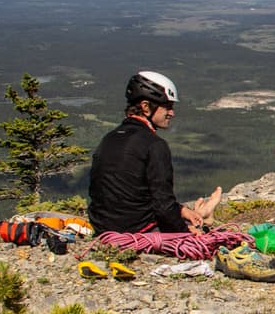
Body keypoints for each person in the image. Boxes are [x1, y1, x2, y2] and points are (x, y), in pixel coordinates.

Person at [88, 71, 221, 234]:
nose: (172, 113)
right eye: (167, 106)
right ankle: (205, 215)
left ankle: (200, 214)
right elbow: (163, 205)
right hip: (138, 230)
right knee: (204, 233)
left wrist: (181, 210)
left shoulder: (110, 138)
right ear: (145, 106)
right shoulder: (155, 145)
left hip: (102, 227)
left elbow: (127, 192)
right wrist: (187, 232)